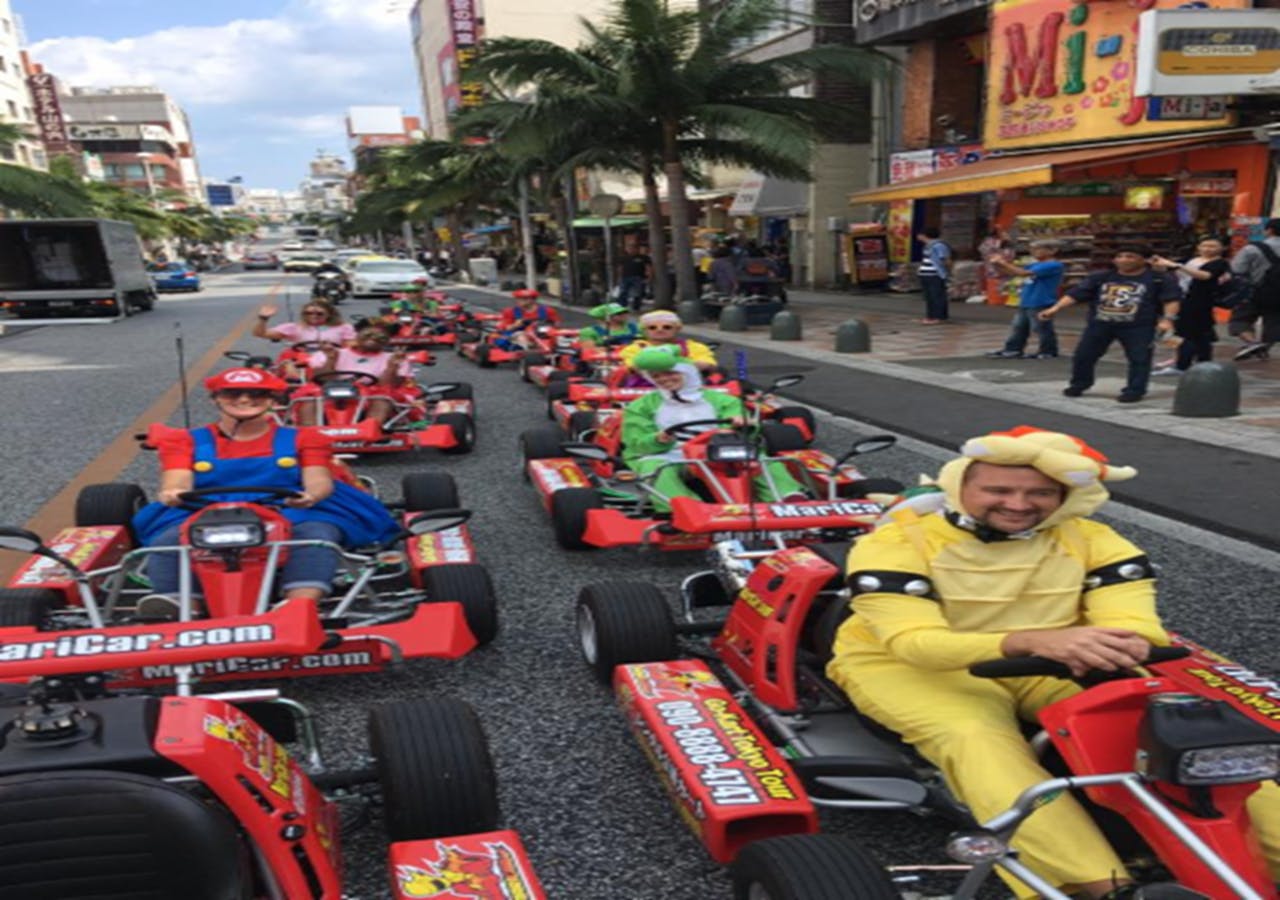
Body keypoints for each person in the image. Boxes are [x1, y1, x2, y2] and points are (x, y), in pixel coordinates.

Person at [827, 426, 1280, 898]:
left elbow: (1135, 625)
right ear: (961, 486)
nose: (1019, 505)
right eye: (998, 490)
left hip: (1052, 658)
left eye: (1040, 492)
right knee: (978, 738)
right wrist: (1037, 640)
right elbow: (914, 644)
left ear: (1063, 496)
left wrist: (1108, 646)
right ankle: (1096, 886)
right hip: (912, 667)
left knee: (1180, 733)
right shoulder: (898, 542)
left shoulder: (1092, 539)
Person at [131, 367, 400, 619]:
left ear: (272, 400)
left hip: (288, 506)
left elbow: (318, 479)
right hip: (205, 508)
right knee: (168, 540)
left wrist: (311, 496)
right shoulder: (186, 440)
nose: (245, 399)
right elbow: (177, 479)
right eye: (233, 393)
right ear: (216, 398)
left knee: (316, 535)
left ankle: (299, 603)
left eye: (257, 394)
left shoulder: (304, 438)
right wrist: (173, 492)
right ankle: (179, 603)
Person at [619, 348, 807, 513]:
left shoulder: (721, 400)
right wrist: (659, 438)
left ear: (686, 372)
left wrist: (740, 425)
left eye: (669, 373)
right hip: (670, 453)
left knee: (762, 460)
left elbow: (745, 424)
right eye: (657, 376)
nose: (664, 379)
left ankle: (787, 499)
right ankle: (683, 507)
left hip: (719, 449)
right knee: (656, 469)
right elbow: (636, 441)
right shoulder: (641, 406)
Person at [1039, 245, 1181, 403]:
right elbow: (1076, 294)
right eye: (1119, 256)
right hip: (1100, 323)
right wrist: (1055, 308)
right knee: (1083, 356)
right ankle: (1079, 384)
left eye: (1130, 256)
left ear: (1144, 260)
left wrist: (1168, 320)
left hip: (1139, 326)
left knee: (1139, 359)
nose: (1123, 260)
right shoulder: (1101, 277)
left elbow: (1171, 300)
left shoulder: (1158, 279)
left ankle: (1135, 390)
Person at [295, 325, 416, 426]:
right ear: (357, 338)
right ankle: (310, 432)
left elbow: (388, 385)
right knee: (310, 398)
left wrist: (391, 367)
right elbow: (320, 379)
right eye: (367, 336)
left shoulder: (393, 358)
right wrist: (331, 360)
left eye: (379, 338)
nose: (372, 339)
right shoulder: (332, 353)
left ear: (386, 341)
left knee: (382, 398)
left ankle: (371, 429)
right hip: (332, 388)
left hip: (371, 392)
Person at [1149, 237, 1231, 375]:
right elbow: (1168, 271)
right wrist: (1159, 263)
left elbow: (1205, 276)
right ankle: (1191, 361)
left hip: (1200, 303)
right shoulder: (1191, 260)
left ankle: (1185, 364)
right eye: (1204, 245)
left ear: (1222, 248)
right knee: (1192, 334)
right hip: (1183, 299)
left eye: (1212, 246)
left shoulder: (1220, 263)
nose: (1207, 249)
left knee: (1191, 334)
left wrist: (1178, 266)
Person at [986, 240, 1064, 359]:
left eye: (1038, 248)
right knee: (1019, 327)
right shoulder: (1034, 264)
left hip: (1041, 300)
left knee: (1041, 328)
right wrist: (998, 264)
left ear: (1052, 251)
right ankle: (1013, 349)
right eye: (1032, 249)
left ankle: (1048, 350)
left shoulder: (1053, 265)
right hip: (1027, 299)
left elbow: (1023, 273)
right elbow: (1013, 272)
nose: (1033, 252)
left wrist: (1002, 262)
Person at [1229, 217, 1280, 361]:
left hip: (1254, 291)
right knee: (1274, 323)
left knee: (1240, 320)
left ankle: (1253, 343)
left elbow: (1237, 269)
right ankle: (1263, 348)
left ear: (1269, 230)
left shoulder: (1253, 248)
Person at [619, 311, 718, 373]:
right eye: (652, 327)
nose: (659, 330)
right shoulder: (634, 348)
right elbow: (633, 367)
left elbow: (707, 364)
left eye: (667, 327)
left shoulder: (694, 347)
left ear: (677, 329)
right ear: (644, 331)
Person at [254, 302, 355, 346]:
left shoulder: (343, 327)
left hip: (332, 359)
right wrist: (263, 319)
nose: (313, 316)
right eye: (308, 313)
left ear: (329, 314)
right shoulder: (294, 327)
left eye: (319, 314)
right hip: (301, 360)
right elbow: (260, 333)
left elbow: (350, 346)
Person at [497, 288, 561, 349]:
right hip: (519, 333)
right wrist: (515, 325)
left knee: (553, 336)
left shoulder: (548, 310)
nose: (520, 301)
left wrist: (548, 325)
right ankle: (529, 350)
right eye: (518, 298)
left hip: (541, 333)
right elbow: (504, 328)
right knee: (521, 336)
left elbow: (557, 325)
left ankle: (553, 350)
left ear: (533, 300)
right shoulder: (510, 312)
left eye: (524, 299)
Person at [916, 227, 952, 324]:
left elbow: (945, 259)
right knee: (929, 296)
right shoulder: (927, 246)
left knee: (936, 295)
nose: (918, 236)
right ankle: (930, 316)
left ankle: (939, 316)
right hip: (925, 273)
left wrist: (947, 272)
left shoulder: (939, 245)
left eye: (920, 234)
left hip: (935, 274)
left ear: (924, 235)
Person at [617, 245, 653, 313]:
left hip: (638, 277)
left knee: (638, 293)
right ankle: (621, 306)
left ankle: (636, 307)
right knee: (623, 292)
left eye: (633, 248)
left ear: (637, 249)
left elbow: (648, 267)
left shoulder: (643, 257)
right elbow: (620, 268)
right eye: (629, 248)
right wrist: (619, 277)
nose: (631, 250)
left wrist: (649, 277)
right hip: (625, 277)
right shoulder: (624, 258)